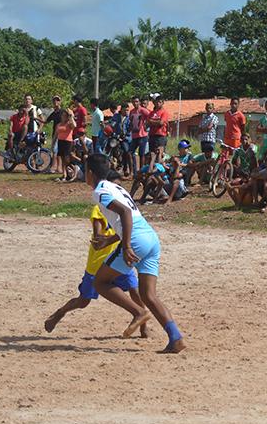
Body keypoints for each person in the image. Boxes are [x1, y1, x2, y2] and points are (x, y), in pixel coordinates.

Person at [85, 153, 185, 354]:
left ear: (90, 173)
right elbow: (129, 219)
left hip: (136, 240)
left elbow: (125, 213)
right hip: (150, 238)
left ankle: (138, 312)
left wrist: (127, 246)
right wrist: (111, 239)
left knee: (100, 283)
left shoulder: (99, 191)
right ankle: (176, 338)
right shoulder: (117, 187)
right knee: (149, 295)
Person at [44, 204, 145, 336]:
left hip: (119, 259)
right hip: (98, 263)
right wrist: (115, 237)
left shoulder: (126, 210)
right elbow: (97, 240)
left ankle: (143, 327)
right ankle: (60, 312)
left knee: (135, 291)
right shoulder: (100, 209)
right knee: (83, 301)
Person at [147, 95, 170, 168]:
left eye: (160, 102)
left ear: (163, 103)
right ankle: (151, 171)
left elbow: (161, 123)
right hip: (152, 135)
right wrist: (156, 121)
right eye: (156, 102)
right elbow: (147, 122)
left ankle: (160, 172)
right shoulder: (152, 112)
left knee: (160, 155)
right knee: (152, 155)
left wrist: (152, 121)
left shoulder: (164, 112)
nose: (158, 104)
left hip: (161, 136)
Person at [54, 109, 75, 182]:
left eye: (65, 116)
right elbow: (56, 135)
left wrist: (71, 116)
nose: (64, 117)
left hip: (68, 142)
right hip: (60, 141)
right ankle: (64, 174)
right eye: (63, 116)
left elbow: (74, 126)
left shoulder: (69, 123)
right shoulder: (59, 124)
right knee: (62, 159)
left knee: (67, 159)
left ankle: (73, 171)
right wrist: (53, 143)